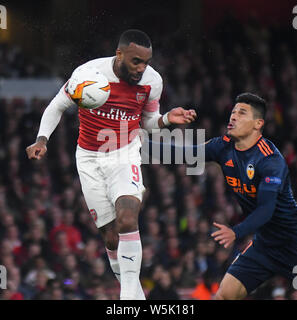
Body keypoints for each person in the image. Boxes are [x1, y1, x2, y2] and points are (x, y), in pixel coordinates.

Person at [25, 29, 196, 300]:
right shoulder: (88, 74)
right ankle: (135, 295)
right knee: (111, 238)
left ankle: (127, 298)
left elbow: (148, 123)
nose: (141, 68)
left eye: (146, 62)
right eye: (135, 61)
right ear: (119, 54)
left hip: (124, 152)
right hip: (89, 156)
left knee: (127, 217)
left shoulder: (152, 82)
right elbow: (57, 105)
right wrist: (41, 140)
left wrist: (165, 119)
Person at [151, 92, 297, 300]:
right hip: (265, 245)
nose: (233, 117)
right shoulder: (222, 147)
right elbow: (183, 153)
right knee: (224, 296)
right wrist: (139, 144)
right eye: (233, 112)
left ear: (257, 124)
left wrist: (236, 232)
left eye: (241, 113)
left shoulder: (270, 160)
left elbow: (266, 209)